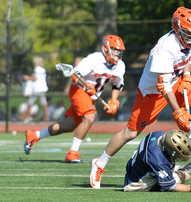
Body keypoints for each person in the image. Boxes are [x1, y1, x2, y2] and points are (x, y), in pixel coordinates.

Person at [90, 7, 191, 188]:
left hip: (175, 82)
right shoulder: (166, 47)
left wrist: (187, 76)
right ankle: (100, 163)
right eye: (188, 34)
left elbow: (188, 60)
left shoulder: (189, 40)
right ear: (177, 29)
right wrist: (178, 113)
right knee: (130, 133)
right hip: (153, 92)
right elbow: (163, 86)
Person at [24, 35, 126, 163]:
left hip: (91, 97)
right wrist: (86, 85)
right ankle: (72, 154)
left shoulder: (120, 66)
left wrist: (114, 101)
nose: (118, 53)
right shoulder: (94, 59)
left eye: (119, 51)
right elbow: (75, 75)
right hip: (79, 90)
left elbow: (118, 84)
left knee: (68, 125)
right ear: (106, 48)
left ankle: (34, 135)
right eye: (115, 50)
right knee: (90, 117)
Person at [20, 56, 49, 122]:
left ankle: (26, 116)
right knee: (44, 103)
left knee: (30, 101)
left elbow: (36, 79)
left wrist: (28, 77)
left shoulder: (37, 68)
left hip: (37, 88)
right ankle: (46, 117)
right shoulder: (43, 69)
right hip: (42, 88)